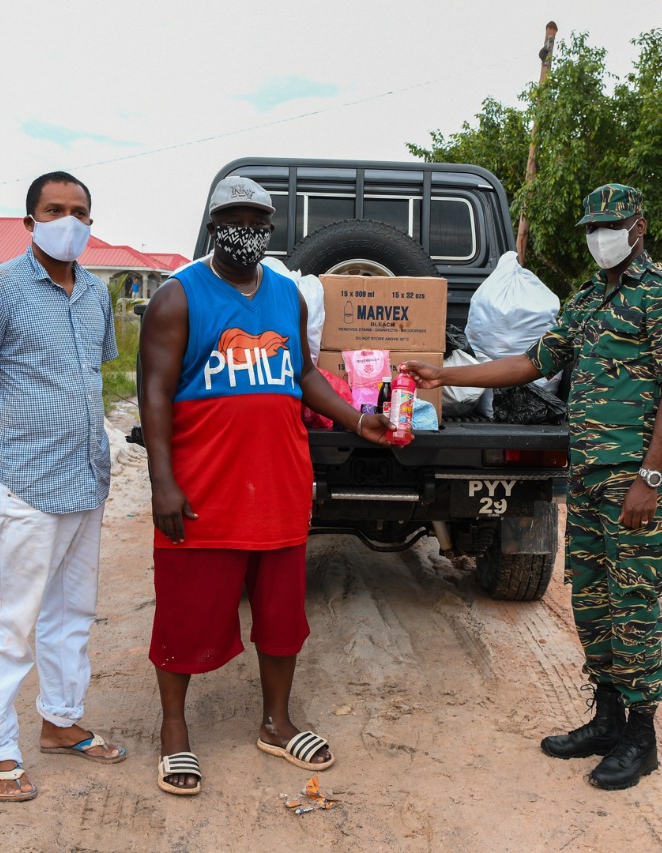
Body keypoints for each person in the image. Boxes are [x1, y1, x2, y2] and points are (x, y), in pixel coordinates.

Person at [403, 183, 662, 791]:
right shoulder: (590, 297)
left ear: (638, 225)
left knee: (633, 605)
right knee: (590, 601)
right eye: (592, 228)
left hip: (633, 482)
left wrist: (648, 477)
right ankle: (607, 720)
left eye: (610, 226)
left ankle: (641, 739)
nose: (600, 237)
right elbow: (535, 360)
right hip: (588, 478)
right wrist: (447, 372)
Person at [138, 176, 395, 796]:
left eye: (257, 218)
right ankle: (175, 730)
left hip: (278, 484)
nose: (246, 228)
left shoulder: (287, 296)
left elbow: (302, 372)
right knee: (187, 612)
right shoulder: (178, 298)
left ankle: (277, 723)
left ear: (270, 227)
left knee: (282, 617)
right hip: (203, 489)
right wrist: (162, 482)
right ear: (211, 223)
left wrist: (357, 418)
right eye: (234, 216)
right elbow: (153, 392)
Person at [0, 171, 126, 803]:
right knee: (13, 620)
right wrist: (10, 449)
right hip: (27, 483)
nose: (69, 220)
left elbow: (89, 378)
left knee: (71, 613)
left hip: (87, 479)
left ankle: (60, 720)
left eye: (80, 211)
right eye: (55, 210)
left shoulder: (97, 294)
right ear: (29, 221)